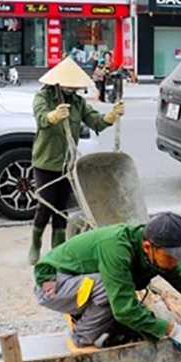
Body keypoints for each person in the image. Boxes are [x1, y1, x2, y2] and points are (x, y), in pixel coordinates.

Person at [34, 212, 181, 353]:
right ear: (148, 247)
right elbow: (124, 307)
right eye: (171, 256)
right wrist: (171, 330)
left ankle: (87, 316)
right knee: (108, 288)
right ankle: (81, 336)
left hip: (80, 284)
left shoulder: (155, 251)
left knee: (126, 309)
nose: (175, 262)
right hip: (54, 285)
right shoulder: (117, 248)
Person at [29, 57, 125, 265]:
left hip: (68, 164)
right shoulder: (42, 97)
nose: (74, 89)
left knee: (62, 207)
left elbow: (95, 122)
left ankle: (58, 249)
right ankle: (35, 243)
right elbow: (41, 118)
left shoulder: (78, 103)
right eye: (71, 85)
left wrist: (110, 116)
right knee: (45, 205)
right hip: (46, 161)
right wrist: (53, 116)